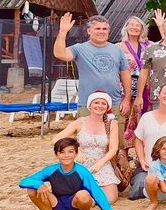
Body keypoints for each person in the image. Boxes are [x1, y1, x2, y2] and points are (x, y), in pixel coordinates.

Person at [53, 13, 130, 145]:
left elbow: (125, 73)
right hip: (87, 105)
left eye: (105, 29)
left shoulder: (117, 50)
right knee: (88, 143)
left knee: (116, 144)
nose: (101, 32)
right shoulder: (80, 49)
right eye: (97, 29)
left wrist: (127, 98)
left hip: (115, 103)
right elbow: (60, 53)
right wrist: (62, 32)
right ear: (89, 31)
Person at [20, 137, 121, 210]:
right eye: (62, 152)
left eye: (70, 152)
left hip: (75, 206)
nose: (66, 155)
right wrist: (39, 184)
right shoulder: (51, 170)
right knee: (31, 189)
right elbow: (24, 182)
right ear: (56, 155)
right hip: (57, 204)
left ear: (76, 154)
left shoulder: (82, 171)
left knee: (84, 194)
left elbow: (97, 193)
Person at [51, 92, 120, 203]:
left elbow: (113, 148)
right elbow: (56, 139)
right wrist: (76, 152)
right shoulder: (80, 122)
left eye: (103, 103)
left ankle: (90, 201)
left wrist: (100, 164)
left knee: (111, 198)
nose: (99, 106)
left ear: (107, 107)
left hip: (102, 163)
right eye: (96, 102)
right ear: (90, 105)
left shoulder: (112, 124)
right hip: (81, 163)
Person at [117, 16, 152, 118]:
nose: (134, 27)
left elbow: (164, 45)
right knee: (126, 118)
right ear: (126, 27)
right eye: (131, 25)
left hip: (146, 88)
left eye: (138, 26)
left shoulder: (149, 45)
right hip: (126, 89)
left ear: (142, 29)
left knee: (144, 118)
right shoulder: (118, 47)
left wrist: (160, 25)